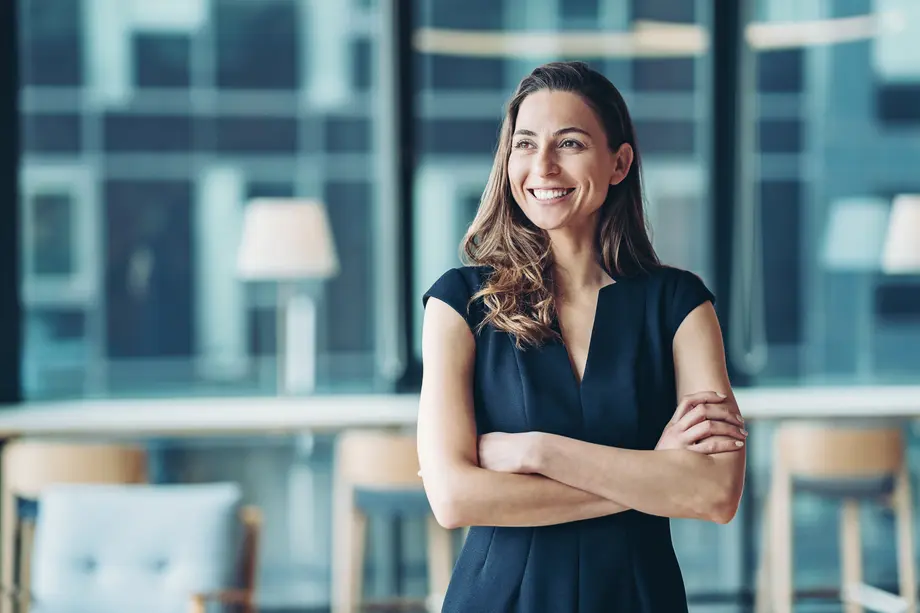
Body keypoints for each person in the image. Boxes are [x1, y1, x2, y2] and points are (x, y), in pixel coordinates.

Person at [417, 61, 746, 612]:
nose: (542, 166)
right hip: (500, 599)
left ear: (618, 163)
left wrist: (533, 450)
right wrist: (652, 475)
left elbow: (714, 494)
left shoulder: (680, 305)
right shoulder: (460, 303)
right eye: (525, 144)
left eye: (569, 143)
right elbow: (453, 498)